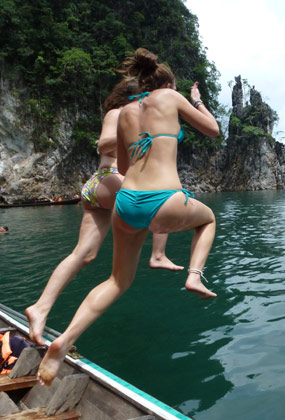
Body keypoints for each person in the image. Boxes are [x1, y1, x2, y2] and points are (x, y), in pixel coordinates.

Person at [36, 48, 220, 386]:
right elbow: (213, 130)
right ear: (167, 83)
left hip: (127, 203)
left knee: (117, 281)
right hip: (164, 199)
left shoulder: (124, 114)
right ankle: (194, 275)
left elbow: (121, 167)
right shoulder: (171, 96)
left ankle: (63, 341)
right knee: (207, 220)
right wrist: (195, 101)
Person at [25, 78, 181, 348]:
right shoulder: (119, 113)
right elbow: (102, 144)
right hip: (106, 180)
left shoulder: (142, 118)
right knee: (159, 197)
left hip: (99, 193)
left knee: (84, 254)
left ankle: (39, 307)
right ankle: (158, 255)